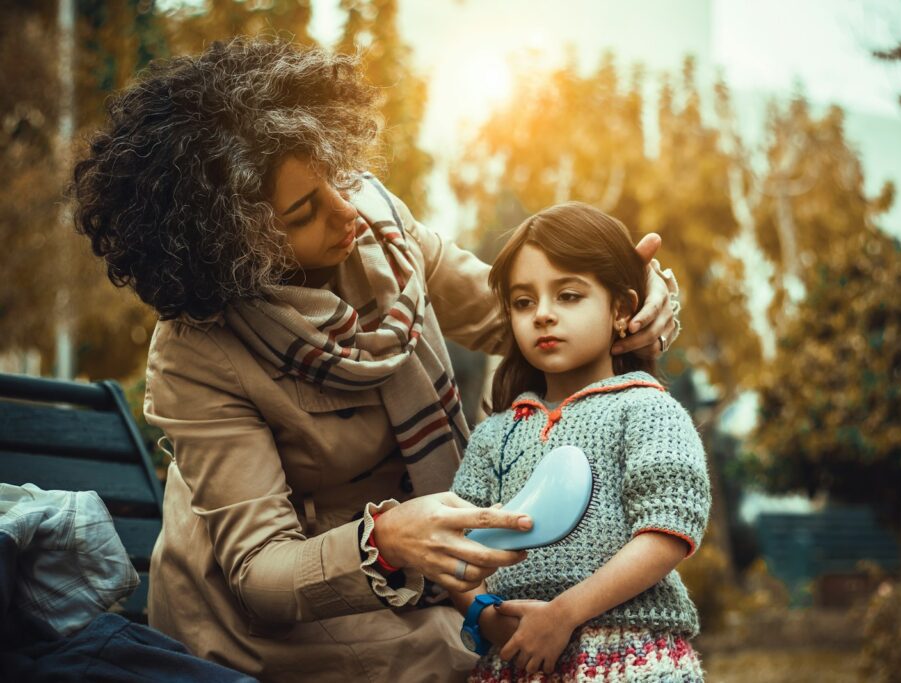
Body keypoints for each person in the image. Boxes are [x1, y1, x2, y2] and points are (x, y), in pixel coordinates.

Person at [69, 38, 681, 682]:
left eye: (333, 176)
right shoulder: (196, 352)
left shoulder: (383, 232)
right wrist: (381, 541)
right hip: (272, 624)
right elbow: (262, 573)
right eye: (305, 211)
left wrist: (635, 302)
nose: (345, 212)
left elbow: (526, 318)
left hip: (428, 583)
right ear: (235, 244)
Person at [450, 202, 710, 681]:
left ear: (621, 308)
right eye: (524, 302)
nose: (543, 315)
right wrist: (486, 618)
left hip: (631, 655)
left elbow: (668, 532)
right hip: (517, 658)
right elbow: (456, 549)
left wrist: (564, 614)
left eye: (568, 295)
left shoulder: (647, 410)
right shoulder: (493, 435)